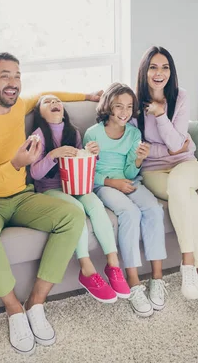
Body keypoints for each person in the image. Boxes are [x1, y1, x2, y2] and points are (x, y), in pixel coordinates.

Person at [0, 52, 100, 355]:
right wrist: (14, 164)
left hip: (20, 197)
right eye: (4, 75)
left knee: (72, 215)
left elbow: (53, 94)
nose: (13, 82)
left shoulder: (20, 105)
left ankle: (36, 303)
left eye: (17, 75)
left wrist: (87, 95)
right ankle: (14, 310)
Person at [29, 94, 130, 304]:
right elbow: (35, 174)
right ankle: (86, 268)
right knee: (76, 209)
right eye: (47, 102)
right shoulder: (38, 136)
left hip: (74, 185)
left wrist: (92, 154)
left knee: (94, 203)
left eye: (57, 101)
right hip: (50, 189)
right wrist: (52, 155)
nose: (54, 103)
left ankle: (113, 265)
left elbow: (81, 164)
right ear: (39, 113)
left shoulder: (72, 132)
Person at [134, 46, 198, 303]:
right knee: (190, 200)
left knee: (180, 185)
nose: (159, 73)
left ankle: (187, 262)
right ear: (145, 71)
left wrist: (160, 116)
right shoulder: (134, 103)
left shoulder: (180, 97)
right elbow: (154, 148)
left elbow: (178, 144)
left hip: (186, 165)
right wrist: (172, 146)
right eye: (153, 67)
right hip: (154, 172)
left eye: (165, 67)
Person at [83, 82, 167, 317]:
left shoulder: (133, 133)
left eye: (129, 107)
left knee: (153, 208)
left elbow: (130, 173)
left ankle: (157, 278)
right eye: (118, 106)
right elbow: (87, 174)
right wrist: (111, 181)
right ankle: (133, 281)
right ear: (108, 107)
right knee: (130, 213)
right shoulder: (93, 133)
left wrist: (138, 161)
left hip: (129, 181)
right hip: (103, 184)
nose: (124, 112)